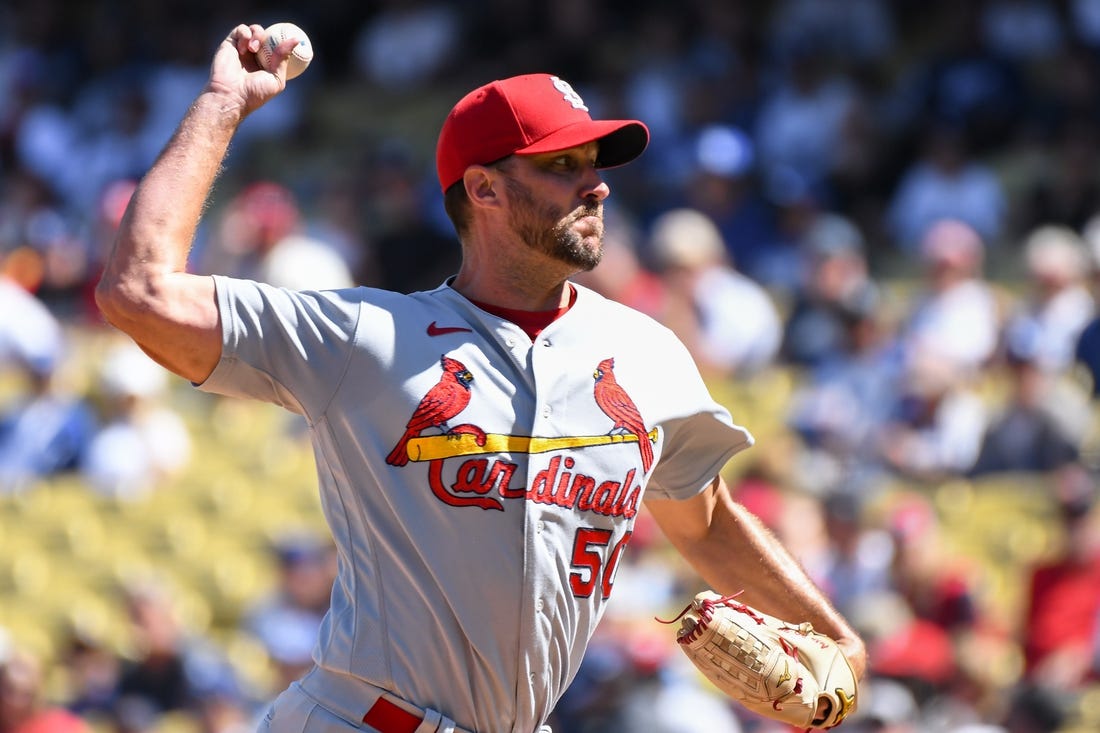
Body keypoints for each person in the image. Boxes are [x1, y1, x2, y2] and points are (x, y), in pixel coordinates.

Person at [95, 23, 866, 733]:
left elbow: (704, 520)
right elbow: (139, 291)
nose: (594, 184)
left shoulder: (646, 351)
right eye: (561, 165)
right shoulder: (368, 336)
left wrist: (835, 638)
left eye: (594, 165)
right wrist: (225, 103)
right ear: (485, 189)